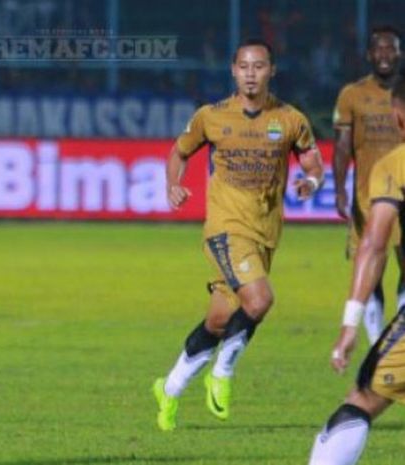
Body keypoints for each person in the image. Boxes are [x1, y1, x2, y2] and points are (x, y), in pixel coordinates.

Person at [152, 38, 324, 431]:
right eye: (244, 66)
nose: (251, 73)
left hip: (264, 232)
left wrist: (311, 183)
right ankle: (223, 374)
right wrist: (172, 185)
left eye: (258, 66)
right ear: (233, 70)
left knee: (218, 320)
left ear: (271, 71)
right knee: (260, 299)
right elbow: (178, 152)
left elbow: (313, 162)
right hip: (225, 229)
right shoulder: (211, 117)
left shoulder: (291, 119)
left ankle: (170, 388)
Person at [308, 77, 405, 465]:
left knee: (362, 398)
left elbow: (374, 244)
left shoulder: (394, 166)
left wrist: (350, 324)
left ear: (398, 117)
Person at [333, 26, 404, 345]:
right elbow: (342, 146)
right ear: (369, 55)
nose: (385, 55)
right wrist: (339, 189)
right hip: (368, 196)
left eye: (391, 49)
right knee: (371, 265)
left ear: (399, 53)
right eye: (379, 49)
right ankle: (377, 342)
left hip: (403, 192)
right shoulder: (352, 94)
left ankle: (399, 338)